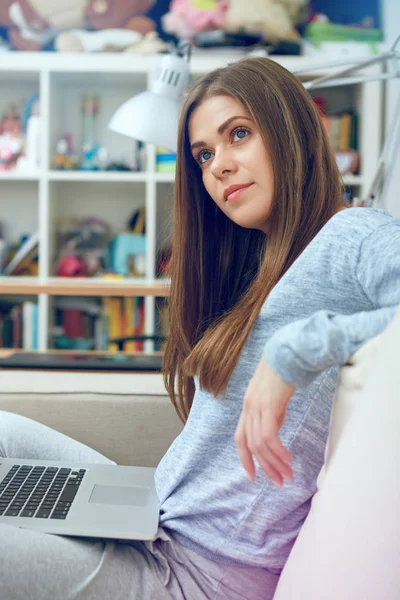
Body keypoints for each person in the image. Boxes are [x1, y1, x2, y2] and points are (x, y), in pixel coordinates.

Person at [0, 56, 399, 600]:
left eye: (239, 134)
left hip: (196, 576)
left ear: (295, 132)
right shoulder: (261, 260)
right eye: (204, 154)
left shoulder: (353, 235)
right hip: (156, 517)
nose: (218, 166)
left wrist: (294, 351)